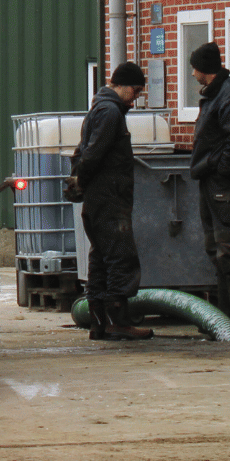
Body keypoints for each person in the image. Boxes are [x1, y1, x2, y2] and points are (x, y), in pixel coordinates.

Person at [70, 61, 153, 341]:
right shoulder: (110, 113)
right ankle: (118, 320)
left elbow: (82, 152)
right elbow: (92, 154)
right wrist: (82, 177)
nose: (137, 96)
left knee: (101, 259)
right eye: (136, 90)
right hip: (109, 199)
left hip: (98, 199)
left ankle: (98, 322)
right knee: (121, 258)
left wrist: (80, 180)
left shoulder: (99, 109)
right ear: (123, 85)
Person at [189, 41, 230, 336]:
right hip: (212, 181)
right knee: (216, 249)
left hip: (222, 183)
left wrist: (220, 170)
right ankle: (224, 319)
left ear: (205, 70)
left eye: (194, 68)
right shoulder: (219, 94)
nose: (192, 73)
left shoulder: (229, 95)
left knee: (229, 249)